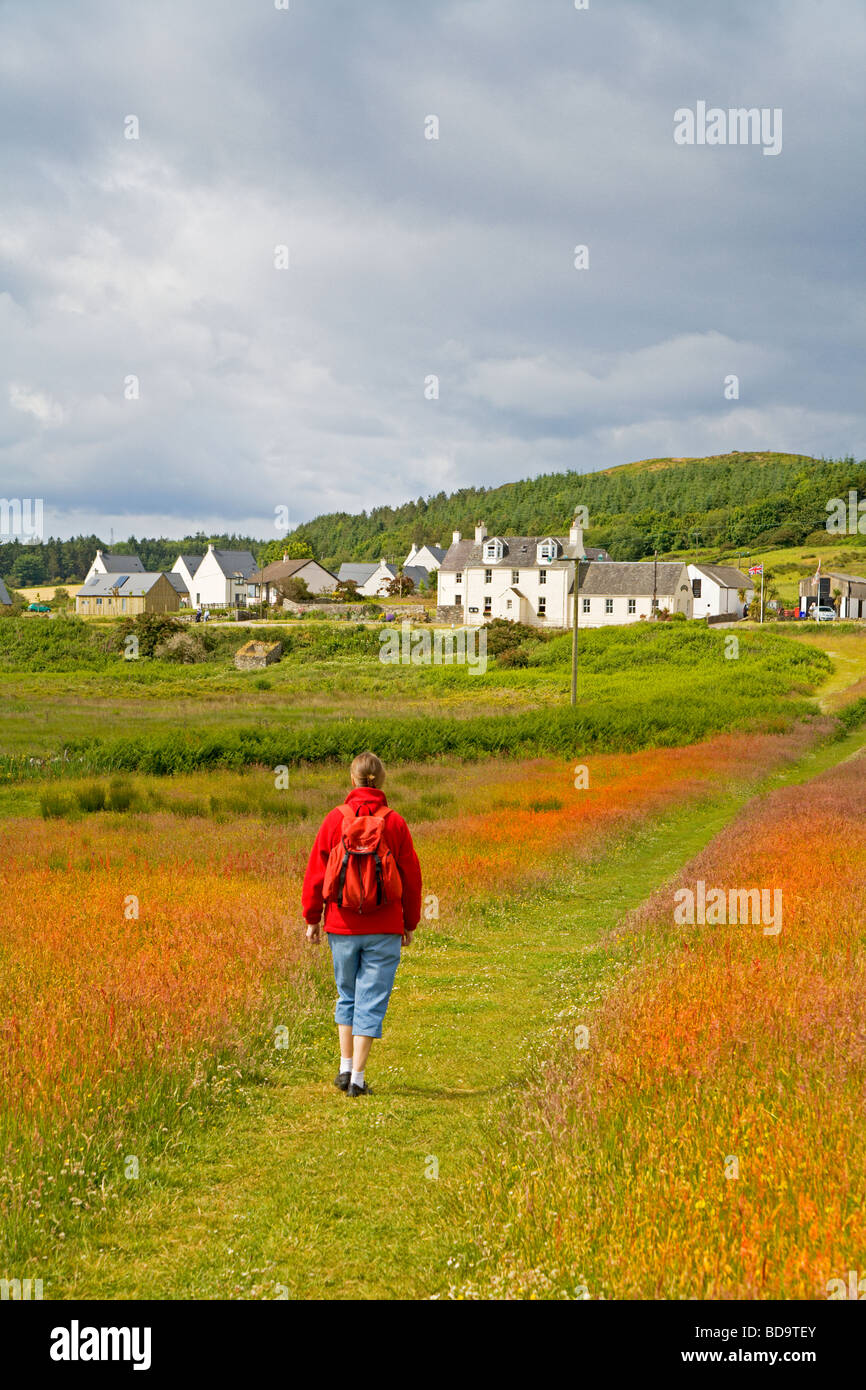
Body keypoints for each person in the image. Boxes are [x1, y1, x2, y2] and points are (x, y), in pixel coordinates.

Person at [302, 751, 422, 1096]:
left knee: (347, 995)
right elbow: (412, 878)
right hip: (384, 926)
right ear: (381, 781)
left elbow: (316, 872)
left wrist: (312, 918)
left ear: (352, 780)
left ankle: (343, 1067)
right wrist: (408, 922)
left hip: (340, 924)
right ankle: (356, 1078)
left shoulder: (334, 819)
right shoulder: (395, 822)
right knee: (371, 999)